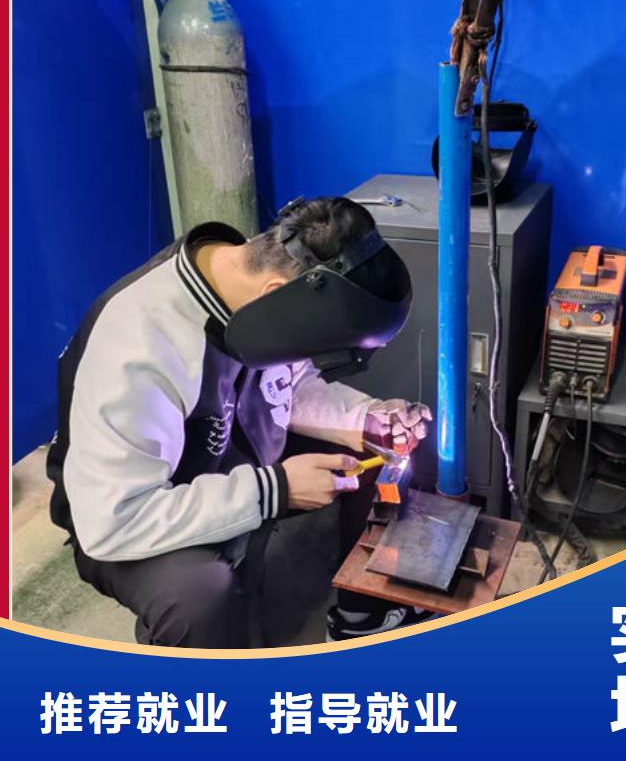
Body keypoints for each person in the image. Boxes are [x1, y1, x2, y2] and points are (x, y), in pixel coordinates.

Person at [46, 197, 432, 648]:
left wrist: (365, 419)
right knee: (201, 599)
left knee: (373, 447)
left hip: (224, 457)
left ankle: (360, 610)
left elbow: (285, 385)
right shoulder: (139, 348)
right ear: (273, 293)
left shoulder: (258, 293)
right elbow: (113, 520)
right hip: (130, 509)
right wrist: (274, 489)